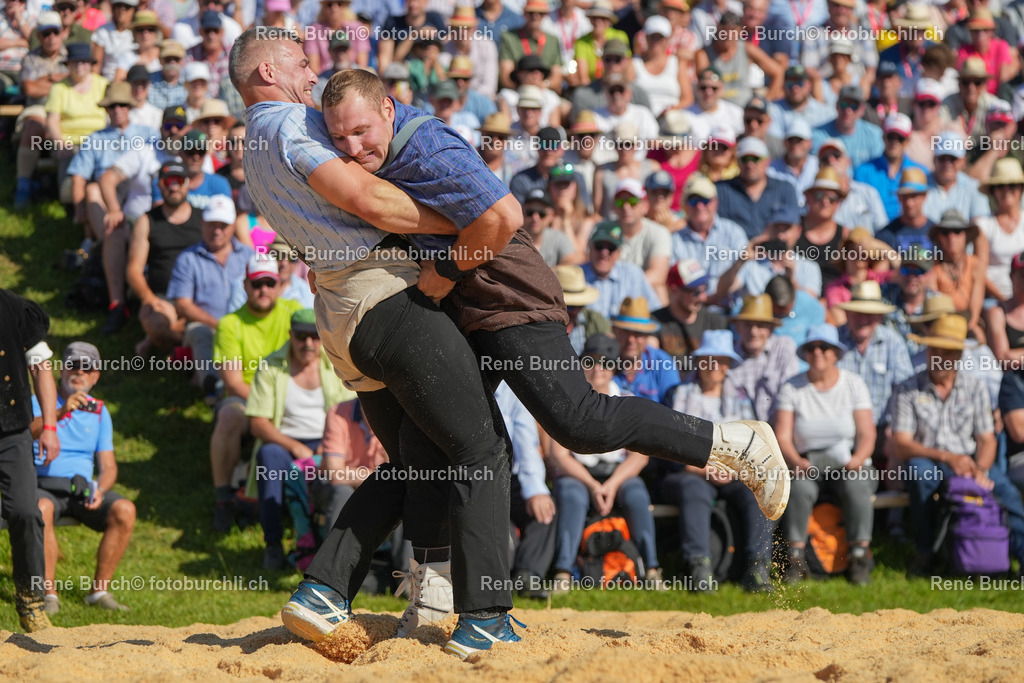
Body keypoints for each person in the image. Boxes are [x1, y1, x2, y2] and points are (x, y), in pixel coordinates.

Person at [234, 33, 789, 653]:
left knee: (571, 421)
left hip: (504, 303)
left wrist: (442, 267)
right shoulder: (318, 135)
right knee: (443, 450)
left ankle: (731, 441)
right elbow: (358, 203)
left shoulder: (418, 142)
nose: (348, 144)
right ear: (267, 72)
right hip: (433, 307)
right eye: (339, 137)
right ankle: (427, 598)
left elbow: (500, 219)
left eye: (359, 131)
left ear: (388, 109)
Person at [895, 313, 1024, 576]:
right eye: (935, 350)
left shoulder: (974, 387)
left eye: (948, 352)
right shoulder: (908, 388)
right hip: (930, 458)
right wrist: (946, 457)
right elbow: (902, 444)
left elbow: (987, 438)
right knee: (921, 473)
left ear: (959, 356)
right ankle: (926, 551)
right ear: (928, 351)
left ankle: (1020, 555)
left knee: (1005, 491)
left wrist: (980, 469)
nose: (940, 357)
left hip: (969, 461)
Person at [548, 334, 665, 592]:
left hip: (617, 473)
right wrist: (591, 484)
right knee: (571, 493)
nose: (598, 369)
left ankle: (652, 569)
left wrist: (612, 484)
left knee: (636, 493)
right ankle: (563, 572)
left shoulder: (626, 399)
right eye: (590, 362)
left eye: (605, 363)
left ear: (614, 368)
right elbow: (558, 454)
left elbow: (640, 455)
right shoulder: (568, 401)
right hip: (580, 473)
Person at [660, 329, 771, 592]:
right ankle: (700, 567)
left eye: (722, 360)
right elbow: (666, 447)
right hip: (689, 471)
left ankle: (757, 566)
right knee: (694, 490)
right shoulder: (677, 394)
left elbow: (753, 444)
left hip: (734, 472)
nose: (716, 366)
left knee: (760, 489)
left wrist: (735, 470)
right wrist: (704, 469)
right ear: (699, 361)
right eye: (710, 359)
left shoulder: (742, 397)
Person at [32, 342, 136, 613]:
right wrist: (59, 411)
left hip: (81, 488)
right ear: (61, 370)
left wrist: (100, 488)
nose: (78, 372)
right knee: (42, 509)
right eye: (73, 365)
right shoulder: (39, 399)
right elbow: (22, 433)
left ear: (96, 376)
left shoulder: (100, 411)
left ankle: (99, 592)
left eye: (86, 367)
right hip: (42, 485)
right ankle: (49, 594)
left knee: (125, 510)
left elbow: (109, 466)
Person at [246, 309, 353, 569]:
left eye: (314, 337)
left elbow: (347, 413)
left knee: (336, 472)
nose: (308, 343)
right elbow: (258, 423)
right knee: (268, 458)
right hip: (284, 442)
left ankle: (332, 556)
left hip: (328, 441)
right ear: (290, 335)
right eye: (301, 336)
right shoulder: (270, 365)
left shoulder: (334, 363)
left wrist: (326, 447)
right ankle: (273, 544)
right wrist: (294, 446)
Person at [775, 324, 877, 585]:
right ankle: (795, 558)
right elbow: (782, 437)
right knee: (796, 488)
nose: (818, 352)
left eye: (824, 347)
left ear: (836, 353)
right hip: (806, 461)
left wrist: (857, 460)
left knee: (857, 486)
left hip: (849, 459)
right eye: (811, 348)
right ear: (805, 354)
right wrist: (796, 461)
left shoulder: (854, 384)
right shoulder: (791, 387)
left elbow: (867, 434)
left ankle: (858, 557)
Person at [211, 255, 303, 532]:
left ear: (279, 284)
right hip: (247, 399)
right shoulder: (230, 323)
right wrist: (268, 406)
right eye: (257, 283)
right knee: (228, 415)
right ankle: (223, 497)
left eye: (269, 283)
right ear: (246, 285)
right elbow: (233, 382)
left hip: (289, 395)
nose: (263, 289)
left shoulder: (294, 312)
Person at [0, 288, 59, 632]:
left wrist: (49, 426)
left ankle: (32, 602)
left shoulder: (17, 310)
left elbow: (41, 369)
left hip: (11, 432)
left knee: (25, 511)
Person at [126, 160, 204, 356]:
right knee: (157, 323)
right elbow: (134, 270)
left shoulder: (204, 219)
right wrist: (149, 299)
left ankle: (168, 347)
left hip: (200, 294)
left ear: (188, 183)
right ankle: (186, 348)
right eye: (168, 182)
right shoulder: (147, 220)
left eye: (179, 181)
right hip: (164, 297)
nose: (174, 187)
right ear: (160, 185)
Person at [496, 382, 556, 601]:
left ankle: (528, 575)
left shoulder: (512, 389)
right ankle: (494, 580)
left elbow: (526, 440)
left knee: (544, 509)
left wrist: (536, 490)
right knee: (501, 530)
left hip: (512, 476)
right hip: (474, 477)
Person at [728, 294, 801, 422]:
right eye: (748, 325)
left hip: (780, 427)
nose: (754, 331)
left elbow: (790, 395)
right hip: (741, 432)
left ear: (771, 328)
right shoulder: (728, 356)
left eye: (760, 325)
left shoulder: (784, 347)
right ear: (737, 327)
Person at [715, 136, 799, 239]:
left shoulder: (785, 189)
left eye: (755, 158)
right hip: (733, 252)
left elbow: (793, 227)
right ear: (737, 162)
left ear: (767, 161)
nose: (750, 164)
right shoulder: (721, 190)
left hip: (775, 250)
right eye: (745, 159)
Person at [582, 221, 662, 319]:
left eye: (611, 248)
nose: (604, 252)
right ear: (590, 247)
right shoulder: (576, 275)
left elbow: (655, 312)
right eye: (599, 246)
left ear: (619, 252)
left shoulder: (633, 274)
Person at [654, 259, 727, 361]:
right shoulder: (655, 323)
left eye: (705, 288)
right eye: (696, 292)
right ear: (674, 289)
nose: (703, 297)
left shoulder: (716, 323)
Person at [976, 158, 1024, 303]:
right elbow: (979, 271)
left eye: (1012, 185)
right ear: (993, 191)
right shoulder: (984, 225)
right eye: (1001, 185)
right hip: (994, 299)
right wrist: (1004, 300)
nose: (1006, 190)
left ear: (1021, 189)